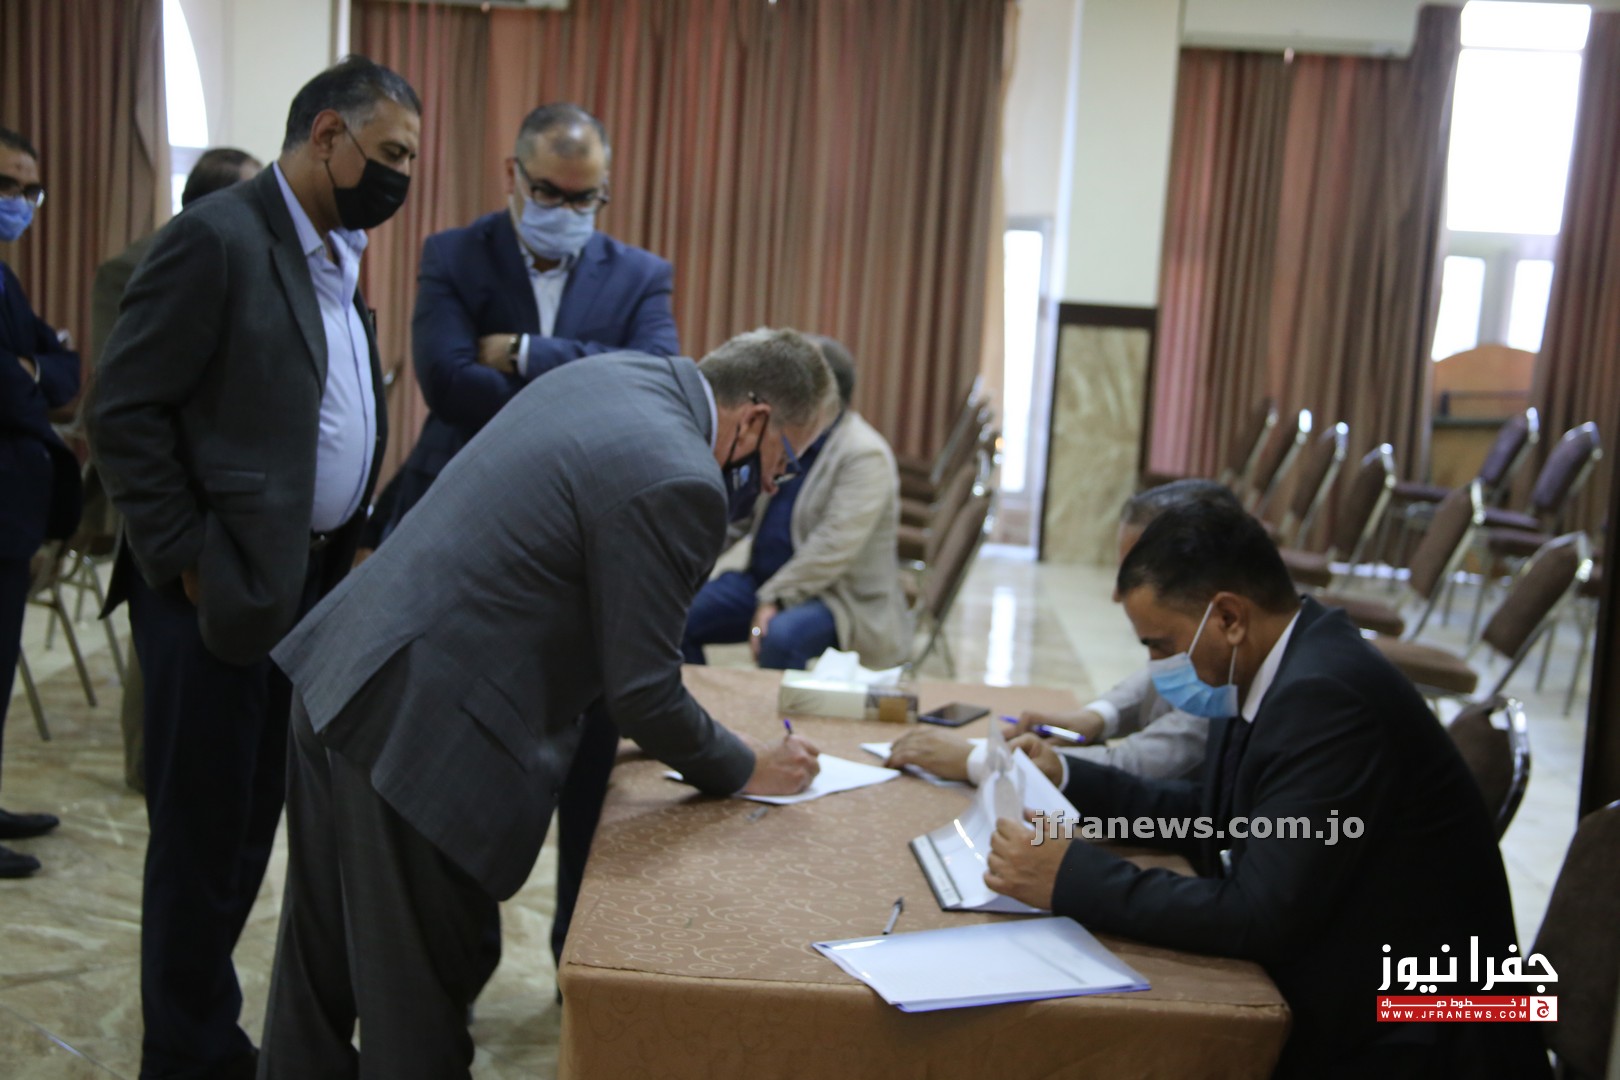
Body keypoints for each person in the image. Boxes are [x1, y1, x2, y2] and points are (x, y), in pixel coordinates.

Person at [258, 330, 828, 1078]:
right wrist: (749, 767)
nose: (774, 484)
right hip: (418, 730)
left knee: (316, 974)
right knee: (414, 1012)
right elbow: (645, 692)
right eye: (784, 463)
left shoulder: (619, 375)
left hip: (346, 662)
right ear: (753, 422)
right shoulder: (682, 476)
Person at [89, 57, 420, 1080]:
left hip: (297, 587)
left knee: (245, 831)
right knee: (201, 838)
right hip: (214, 591)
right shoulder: (219, 238)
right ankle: (181, 1052)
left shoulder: (335, 249)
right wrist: (185, 556)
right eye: (391, 152)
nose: (403, 177)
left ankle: (204, 1029)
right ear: (327, 135)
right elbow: (123, 410)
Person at [983, 500, 1551, 1079]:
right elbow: (1217, 817)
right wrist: (1068, 778)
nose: (1155, 666)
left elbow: (1260, 915)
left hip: (1418, 1032)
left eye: (1161, 645)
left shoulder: (1325, 698)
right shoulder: (1266, 666)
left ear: (1229, 617)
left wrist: (1072, 878)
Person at [380, 101, 678, 540]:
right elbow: (448, 383)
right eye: (547, 192)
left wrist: (525, 352)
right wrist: (590, 395)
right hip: (460, 496)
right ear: (512, 174)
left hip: (579, 510)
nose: (566, 211)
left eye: (584, 198)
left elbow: (657, 378)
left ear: (603, 185)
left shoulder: (640, 276)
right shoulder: (455, 254)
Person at [88, 147, 262, 795]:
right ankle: (146, 768)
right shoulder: (132, 266)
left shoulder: (245, 256)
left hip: (228, 491)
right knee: (159, 636)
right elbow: (117, 397)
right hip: (162, 487)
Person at [886, 479, 1237, 784]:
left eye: (1133, 576)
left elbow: (1144, 763)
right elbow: (1159, 675)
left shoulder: (1230, 667)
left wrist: (982, 761)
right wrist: (1095, 718)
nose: (1116, 594)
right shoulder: (1204, 637)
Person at [681, 334, 910, 670]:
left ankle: (779, 708)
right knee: (679, 613)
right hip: (762, 580)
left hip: (836, 598)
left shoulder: (865, 454)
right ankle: (689, 700)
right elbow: (740, 516)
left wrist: (776, 597)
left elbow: (832, 548)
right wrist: (684, 556)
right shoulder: (783, 433)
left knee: (781, 636)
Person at [0, 125, 81, 879]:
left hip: (14, 510)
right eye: (6, 186)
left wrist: (35, 368)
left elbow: (64, 368)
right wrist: (32, 371)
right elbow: (17, 386)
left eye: (30, 190)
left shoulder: (6, 279)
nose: (20, 203)